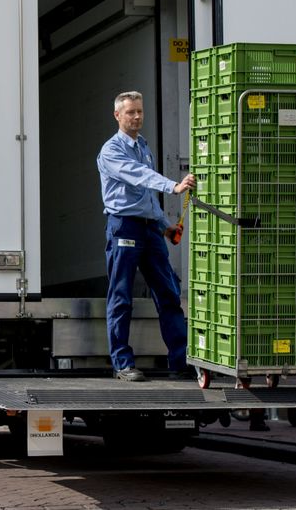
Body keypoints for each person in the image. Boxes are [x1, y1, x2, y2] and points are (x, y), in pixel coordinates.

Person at [97, 91, 196, 382]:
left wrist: (164, 225)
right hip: (124, 227)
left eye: (140, 111)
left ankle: (180, 363)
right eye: (131, 112)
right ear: (117, 116)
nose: (137, 117)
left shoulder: (142, 145)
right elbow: (139, 176)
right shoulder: (112, 150)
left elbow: (146, 197)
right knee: (121, 297)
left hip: (150, 229)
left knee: (168, 294)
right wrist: (174, 186)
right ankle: (123, 364)